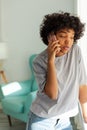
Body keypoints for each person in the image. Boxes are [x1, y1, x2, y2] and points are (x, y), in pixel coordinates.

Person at [26, 12, 87, 130]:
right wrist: (51, 61)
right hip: (42, 120)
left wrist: (85, 112)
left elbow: (82, 84)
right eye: (63, 36)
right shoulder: (39, 61)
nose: (68, 42)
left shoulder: (75, 51)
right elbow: (53, 94)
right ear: (50, 36)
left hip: (64, 121)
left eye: (71, 37)